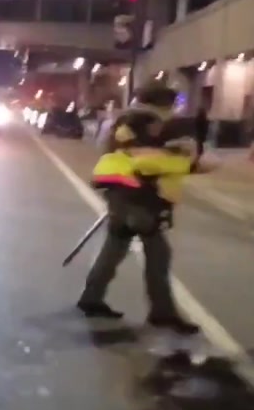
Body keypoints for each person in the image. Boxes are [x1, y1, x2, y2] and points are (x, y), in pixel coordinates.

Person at [78, 83, 201, 334]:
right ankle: (162, 313)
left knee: (114, 248)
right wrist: (183, 160)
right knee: (158, 255)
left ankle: (91, 298)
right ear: (162, 104)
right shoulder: (150, 123)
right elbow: (151, 160)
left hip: (120, 193)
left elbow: (115, 152)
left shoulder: (123, 120)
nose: (173, 110)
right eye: (172, 104)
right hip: (141, 197)